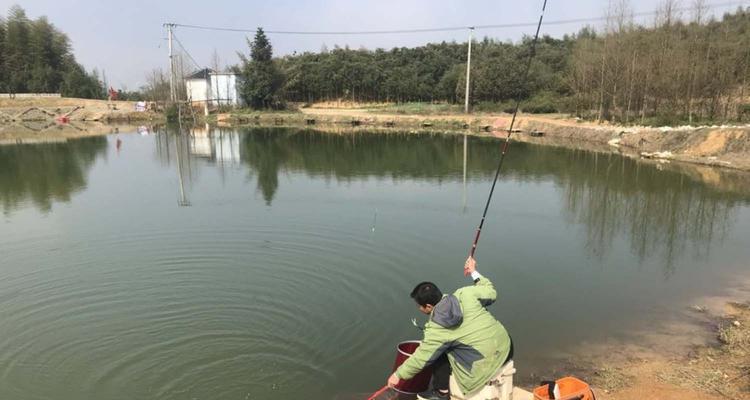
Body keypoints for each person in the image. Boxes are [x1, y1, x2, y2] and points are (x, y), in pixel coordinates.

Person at [386, 256, 513, 400]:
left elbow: (421, 358)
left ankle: (441, 393)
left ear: (428, 306)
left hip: (485, 366)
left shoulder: (437, 329)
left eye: (419, 306)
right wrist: (473, 272)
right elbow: (490, 292)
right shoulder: (466, 293)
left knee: (436, 353)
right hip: (505, 346)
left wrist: (398, 375)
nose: (419, 308)